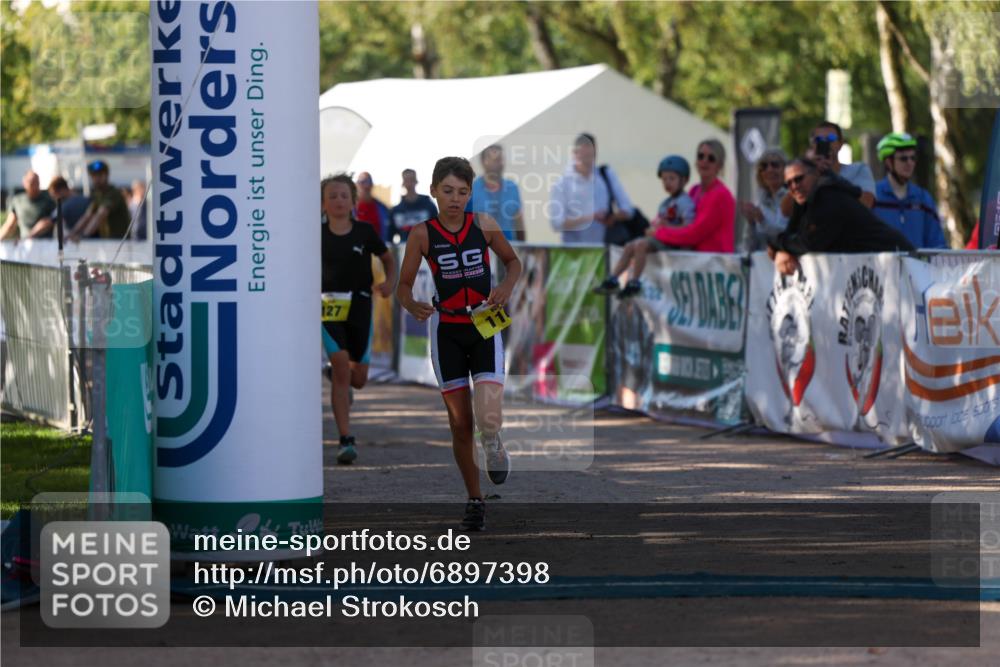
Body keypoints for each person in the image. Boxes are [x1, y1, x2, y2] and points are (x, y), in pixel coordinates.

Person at [396, 157, 522, 531]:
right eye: (447, 191)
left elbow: (513, 262)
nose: (455, 199)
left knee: (487, 416)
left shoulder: (482, 224)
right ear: (433, 190)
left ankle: (494, 441)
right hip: (446, 328)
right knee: (460, 423)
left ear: (471, 194)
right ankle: (474, 499)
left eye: (463, 192)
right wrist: (411, 304)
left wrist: (505, 286)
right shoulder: (421, 233)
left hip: (484, 323)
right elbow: (402, 285)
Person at [321, 174, 397, 464]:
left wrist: (390, 283)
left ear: (354, 201)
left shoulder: (365, 231)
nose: (339, 201)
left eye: (344, 195)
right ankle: (345, 439)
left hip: (361, 306)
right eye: (332, 196)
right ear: (322, 204)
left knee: (359, 379)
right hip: (327, 307)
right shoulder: (315, 233)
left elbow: (388, 259)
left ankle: (335, 376)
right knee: (342, 366)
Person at [770, 158, 915, 275]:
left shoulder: (828, 197)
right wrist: (781, 248)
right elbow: (793, 233)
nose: (794, 187)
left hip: (898, 261)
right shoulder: (806, 199)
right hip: (879, 264)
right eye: (788, 184)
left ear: (816, 174)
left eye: (798, 179)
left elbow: (810, 243)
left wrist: (778, 244)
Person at [594, 155, 695, 297]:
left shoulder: (686, 203)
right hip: (662, 239)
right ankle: (613, 278)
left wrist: (666, 228)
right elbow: (658, 222)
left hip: (673, 243)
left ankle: (635, 282)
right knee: (630, 245)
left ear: (684, 180)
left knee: (640, 245)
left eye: (672, 178)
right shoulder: (665, 204)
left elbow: (688, 227)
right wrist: (653, 229)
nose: (667, 183)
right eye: (664, 179)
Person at [650, 139, 736, 253]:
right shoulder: (695, 190)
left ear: (719, 165)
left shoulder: (721, 195)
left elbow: (694, 234)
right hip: (695, 262)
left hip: (715, 264)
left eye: (711, 158)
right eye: (701, 156)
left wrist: (659, 232)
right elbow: (681, 223)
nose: (704, 161)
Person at [549, 133, 634, 244]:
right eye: (584, 153)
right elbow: (556, 223)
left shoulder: (605, 176)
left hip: (603, 250)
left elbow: (628, 209)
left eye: (591, 154)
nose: (588, 157)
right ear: (575, 153)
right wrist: (590, 217)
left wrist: (612, 218)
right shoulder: (563, 183)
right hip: (574, 252)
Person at [872, 132, 947, 249]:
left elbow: (937, 243)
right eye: (903, 159)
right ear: (888, 162)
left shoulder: (924, 199)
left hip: (917, 267)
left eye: (913, 158)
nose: (910, 163)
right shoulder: (873, 197)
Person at [807, 121, 876, 208]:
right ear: (812, 145)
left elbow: (867, 203)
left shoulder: (858, 169)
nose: (825, 143)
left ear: (841, 144)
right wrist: (808, 173)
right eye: (818, 139)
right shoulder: (803, 174)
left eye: (831, 138)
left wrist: (833, 176)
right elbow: (786, 211)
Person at [467, 144, 525, 242]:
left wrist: (523, 248)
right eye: (496, 159)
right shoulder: (471, 189)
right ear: (484, 162)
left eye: (502, 159)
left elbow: (519, 221)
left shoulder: (512, 188)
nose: (501, 163)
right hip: (481, 248)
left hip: (509, 247)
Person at [739, 148, 789, 251]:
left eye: (775, 165)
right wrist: (751, 223)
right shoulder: (759, 202)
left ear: (786, 169)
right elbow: (748, 247)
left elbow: (784, 235)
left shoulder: (792, 197)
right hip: (761, 264)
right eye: (764, 166)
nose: (769, 170)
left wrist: (762, 220)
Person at [68, 161, 130, 241]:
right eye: (93, 176)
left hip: (120, 241)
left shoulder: (113, 193)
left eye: (100, 175)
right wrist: (72, 234)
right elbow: (87, 215)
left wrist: (84, 236)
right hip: (108, 241)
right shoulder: (98, 194)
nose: (96, 179)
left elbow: (101, 214)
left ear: (106, 175)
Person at [0, 170, 56, 241]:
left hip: (44, 244)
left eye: (37, 182)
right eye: (31, 182)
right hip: (25, 245)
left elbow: (49, 221)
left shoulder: (48, 200)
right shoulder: (17, 201)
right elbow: (10, 224)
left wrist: (31, 235)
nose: (35, 185)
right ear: (24, 183)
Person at [388, 169, 438, 242]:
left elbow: (437, 229)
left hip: (427, 249)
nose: (409, 184)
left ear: (416, 181)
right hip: (404, 249)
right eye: (406, 180)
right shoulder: (395, 211)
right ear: (403, 183)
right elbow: (389, 236)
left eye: (411, 180)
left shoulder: (428, 206)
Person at [353, 171, 391, 241]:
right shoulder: (350, 209)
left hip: (379, 248)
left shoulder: (382, 208)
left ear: (371, 184)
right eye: (360, 182)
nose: (364, 186)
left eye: (366, 182)